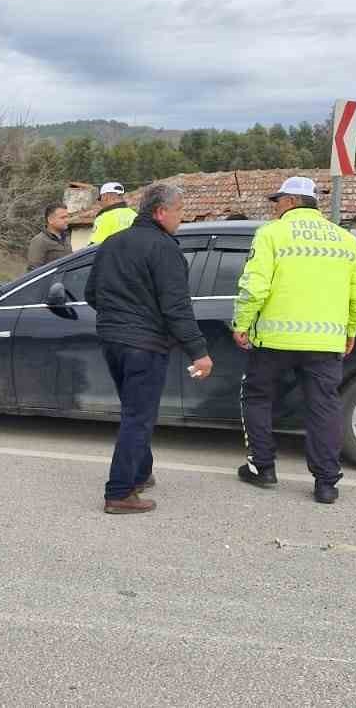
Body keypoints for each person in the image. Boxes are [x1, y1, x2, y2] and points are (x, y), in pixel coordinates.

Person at [232, 176, 356, 505]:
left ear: (292, 202)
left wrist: (241, 323)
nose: (276, 207)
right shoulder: (344, 240)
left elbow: (255, 286)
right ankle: (326, 483)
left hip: (274, 340)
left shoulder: (271, 233)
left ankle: (262, 467)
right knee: (323, 408)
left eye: (278, 200)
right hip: (325, 343)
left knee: (256, 397)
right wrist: (350, 330)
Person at [84, 184, 213, 514]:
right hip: (145, 343)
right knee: (138, 417)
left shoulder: (113, 243)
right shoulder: (165, 248)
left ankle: (140, 473)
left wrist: (117, 319)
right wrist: (199, 351)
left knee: (134, 410)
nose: (182, 219)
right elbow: (176, 307)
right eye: (179, 212)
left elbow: (91, 294)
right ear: (160, 212)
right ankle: (120, 492)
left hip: (112, 340)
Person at [26, 204, 71, 269]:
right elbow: (34, 271)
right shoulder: (39, 241)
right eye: (62, 218)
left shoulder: (66, 238)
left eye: (67, 217)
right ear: (50, 220)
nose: (67, 220)